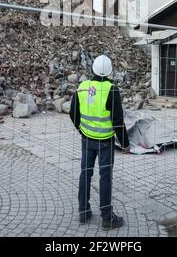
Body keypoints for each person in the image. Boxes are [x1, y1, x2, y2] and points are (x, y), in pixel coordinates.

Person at [69, 54, 130, 230]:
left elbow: (73, 113)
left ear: (93, 69)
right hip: (105, 142)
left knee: (85, 173)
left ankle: (83, 211)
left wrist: (82, 130)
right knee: (105, 177)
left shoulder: (82, 87)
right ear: (110, 71)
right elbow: (118, 121)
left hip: (87, 140)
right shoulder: (112, 90)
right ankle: (106, 217)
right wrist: (125, 143)